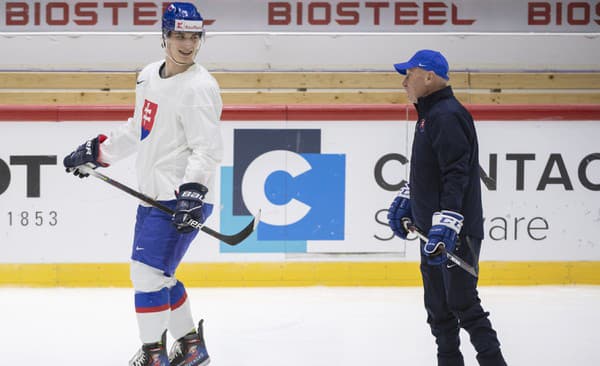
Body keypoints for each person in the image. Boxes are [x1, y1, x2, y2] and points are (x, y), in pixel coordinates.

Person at [63, 3, 222, 366]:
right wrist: (99, 152)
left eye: (194, 36)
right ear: (164, 35)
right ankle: (191, 346)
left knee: (146, 275)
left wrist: (192, 193)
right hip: (154, 196)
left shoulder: (200, 88)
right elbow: (140, 128)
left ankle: (153, 356)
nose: (187, 44)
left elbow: (208, 150)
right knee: (157, 275)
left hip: (179, 199)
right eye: (180, 35)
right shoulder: (149, 75)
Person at [387, 49, 507, 366]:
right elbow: (432, 169)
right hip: (432, 231)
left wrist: (450, 219)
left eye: (408, 74)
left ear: (429, 76)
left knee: (463, 304)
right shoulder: (428, 115)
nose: (403, 83)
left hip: (454, 232)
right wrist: (412, 197)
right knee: (438, 309)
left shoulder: (446, 114)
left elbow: (456, 171)